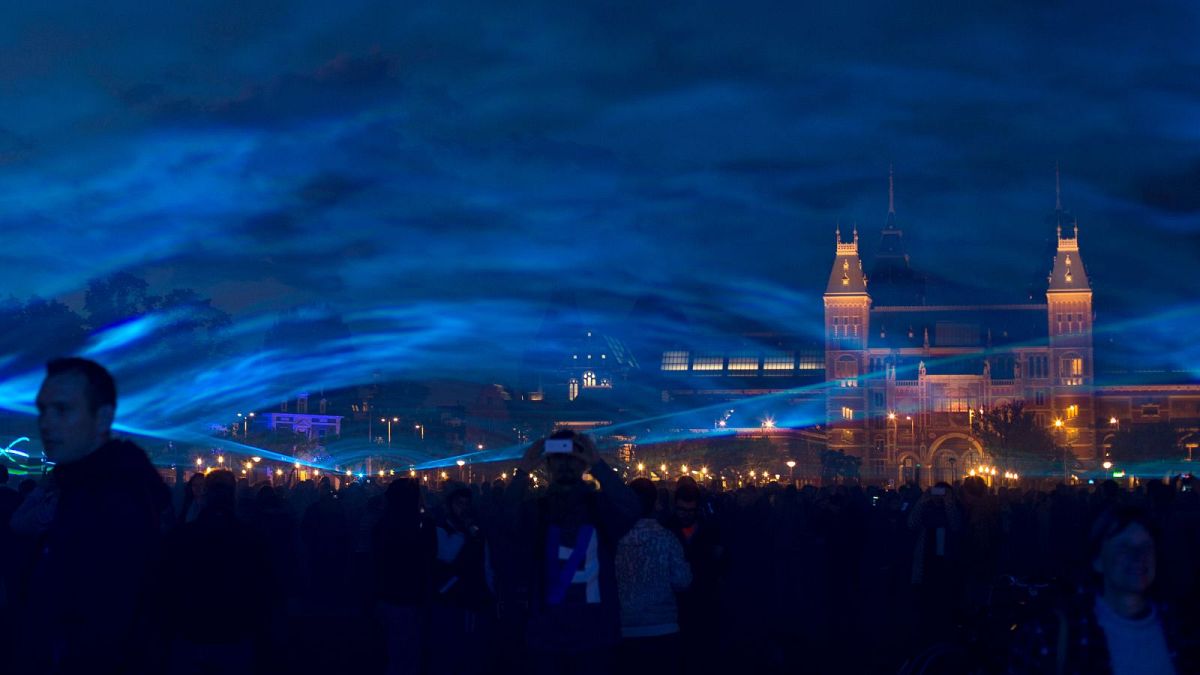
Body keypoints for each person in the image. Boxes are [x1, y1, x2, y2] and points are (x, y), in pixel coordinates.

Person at [16, 357, 169, 674]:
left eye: (62, 410)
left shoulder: (112, 500)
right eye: (43, 410)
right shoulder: (88, 488)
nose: (45, 422)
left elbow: (103, 623)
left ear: (102, 418)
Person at [503, 430, 640, 675]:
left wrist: (523, 472)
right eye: (560, 458)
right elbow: (631, 506)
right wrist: (597, 465)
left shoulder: (539, 511)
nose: (565, 463)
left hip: (555, 636)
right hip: (589, 634)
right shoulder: (599, 509)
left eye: (570, 457)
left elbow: (504, 519)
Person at [1008, 505, 1200, 674]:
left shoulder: (1182, 629)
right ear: (1098, 559)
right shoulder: (1050, 635)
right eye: (1124, 547)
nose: (1138, 556)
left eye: (1146, 547)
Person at [615, 477, 691, 675]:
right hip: (663, 628)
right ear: (655, 503)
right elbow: (682, 580)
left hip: (625, 627)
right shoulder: (666, 538)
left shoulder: (615, 540)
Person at [373, 478, 437, 675]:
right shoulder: (421, 525)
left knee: (394, 650)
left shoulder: (383, 524)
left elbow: (377, 559)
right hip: (412, 595)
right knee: (411, 650)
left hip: (389, 594)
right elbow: (430, 556)